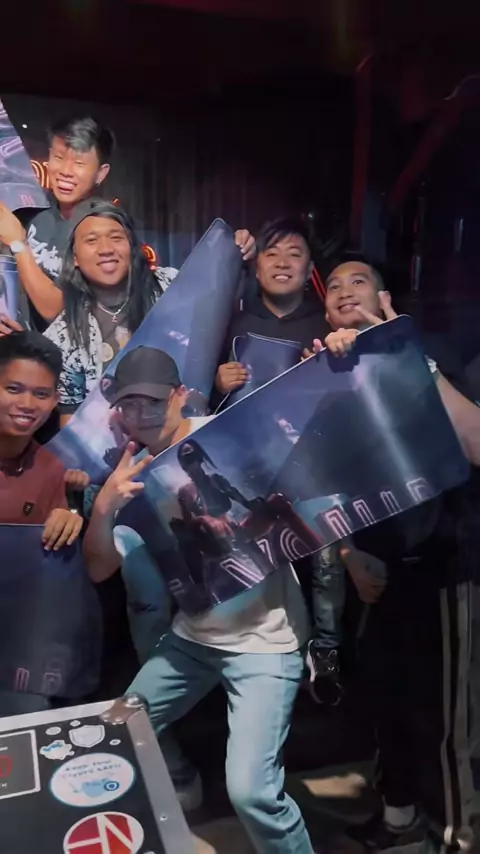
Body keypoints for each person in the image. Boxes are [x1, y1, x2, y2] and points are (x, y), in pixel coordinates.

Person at [83, 345, 317, 853]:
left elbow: (306, 461)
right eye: (129, 404)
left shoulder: (226, 435)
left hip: (264, 643)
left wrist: (334, 359)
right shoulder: (127, 474)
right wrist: (103, 509)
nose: (141, 414)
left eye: (153, 401)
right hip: (192, 638)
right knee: (114, 735)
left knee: (253, 792)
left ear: (181, 396)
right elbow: (99, 567)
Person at [317, 254, 478, 854]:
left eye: (358, 281)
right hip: (377, 570)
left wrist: (403, 351)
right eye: (334, 286)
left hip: (446, 563)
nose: (344, 291)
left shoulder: (434, 352)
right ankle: (399, 816)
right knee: (387, 702)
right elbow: (322, 480)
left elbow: (476, 442)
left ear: (385, 300)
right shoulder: (326, 376)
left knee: (448, 719)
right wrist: (349, 555)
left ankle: (459, 835)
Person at [0, 330, 84, 712]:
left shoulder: (51, 469)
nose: (26, 404)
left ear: (54, 402)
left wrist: (70, 518)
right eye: (13, 389)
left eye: (40, 394)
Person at [0, 116, 115, 328]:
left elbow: (58, 314)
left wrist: (18, 243)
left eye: (79, 163)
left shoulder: (104, 229)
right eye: (59, 157)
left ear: (101, 173)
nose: (65, 171)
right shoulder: (35, 211)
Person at [214, 217, 329, 402]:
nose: (282, 263)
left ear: (309, 269)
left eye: (294, 254)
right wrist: (219, 387)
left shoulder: (328, 328)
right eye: (272, 253)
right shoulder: (230, 326)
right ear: (257, 270)